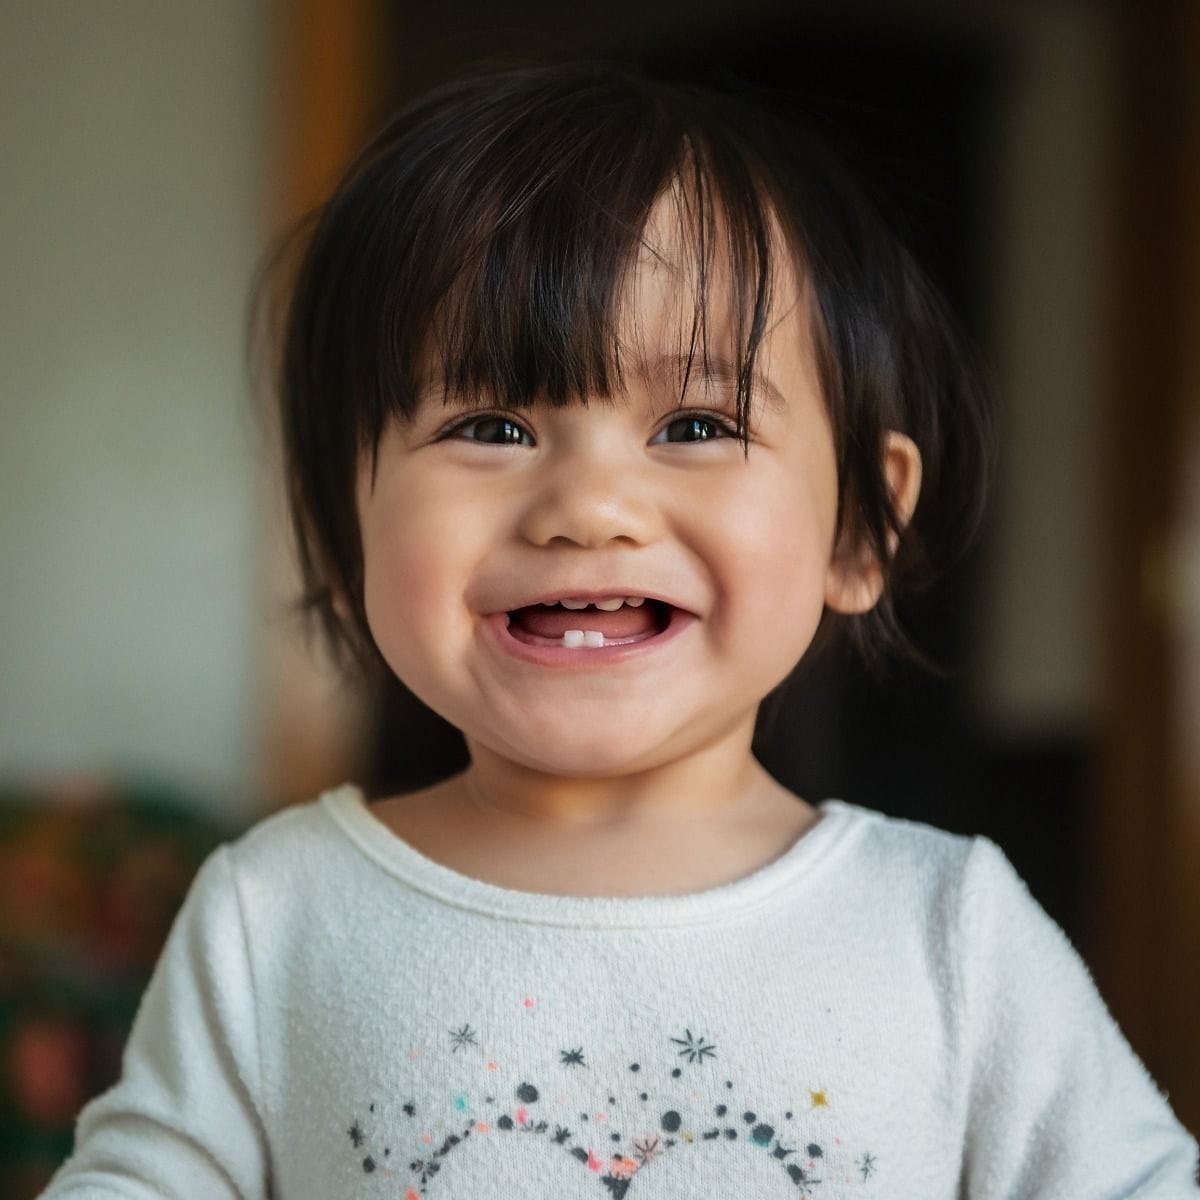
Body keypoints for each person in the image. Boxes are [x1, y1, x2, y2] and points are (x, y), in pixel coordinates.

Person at [42, 57, 1198, 1199]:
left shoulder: (945, 929)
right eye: (490, 427)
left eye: (695, 424)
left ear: (858, 525)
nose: (588, 508)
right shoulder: (278, 913)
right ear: (349, 536)